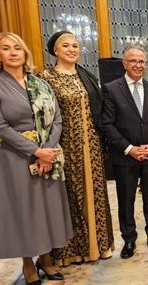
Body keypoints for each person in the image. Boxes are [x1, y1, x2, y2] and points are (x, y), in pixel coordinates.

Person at [0, 31, 73, 285]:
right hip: (14, 156)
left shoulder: (41, 84)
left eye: (17, 48)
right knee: (25, 210)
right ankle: (27, 263)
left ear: (25, 53)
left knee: (46, 207)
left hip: (48, 154)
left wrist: (48, 150)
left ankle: (46, 258)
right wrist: (35, 151)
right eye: (6, 48)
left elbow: (57, 120)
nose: (13, 53)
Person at [38, 30, 114, 265]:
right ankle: (71, 252)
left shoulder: (86, 76)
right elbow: (44, 116)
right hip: (64, 146)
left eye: (75, 46)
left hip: (92, 144)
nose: (71, 50)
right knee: (70, 196)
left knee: (96, 194)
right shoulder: (46, 78)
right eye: (66, 46)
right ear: (55, 50)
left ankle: (99, 246)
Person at [101, 45, 148, 259]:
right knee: (126, 199)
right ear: (124, 63)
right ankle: (129, 239)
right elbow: (107, 124)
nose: (138, 65)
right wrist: (129, 149)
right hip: (125, 156)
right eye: (133, 61)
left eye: (141, 61)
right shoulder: (111, 89)